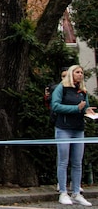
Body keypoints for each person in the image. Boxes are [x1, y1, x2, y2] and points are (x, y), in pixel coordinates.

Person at [51, 65, 94, 206]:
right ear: (71, 73)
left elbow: (84, 107)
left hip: (78, 129)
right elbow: (55, 106)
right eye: (77, 72)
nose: (80, 74)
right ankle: (63, 192)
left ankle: (76, 192)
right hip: (64, 128)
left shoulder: (82, 90)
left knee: (77, 162)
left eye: (81, 72)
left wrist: (88, 111)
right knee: (63, 161)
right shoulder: (61, 88)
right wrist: (75, 108)